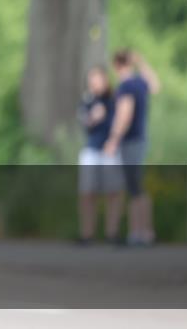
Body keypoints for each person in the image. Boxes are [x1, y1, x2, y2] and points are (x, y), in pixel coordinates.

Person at [103, 49, 161, 246]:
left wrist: (113, 140)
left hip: (130, 141)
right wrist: (141, 63)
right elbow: (156, 86)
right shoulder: (139, 83)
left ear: (116, 65)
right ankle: (144, 232)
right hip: (140, 140)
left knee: (134, 188)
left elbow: (124, 115)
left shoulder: (126, 86)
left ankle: (139, 233)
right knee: (137, 187)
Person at [76, 67, 124, 245]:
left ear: (105, 80)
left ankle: (112, 233)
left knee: (113, 192)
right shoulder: (87, 100)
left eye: (97, 79)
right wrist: (94, 117)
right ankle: (87, 234)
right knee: (88, 193)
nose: (94, 83)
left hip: (111, 150)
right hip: (92, 150)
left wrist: (114, 140)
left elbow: (122, 120)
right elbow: (83, 123)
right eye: (91, 80)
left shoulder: (115, 99)